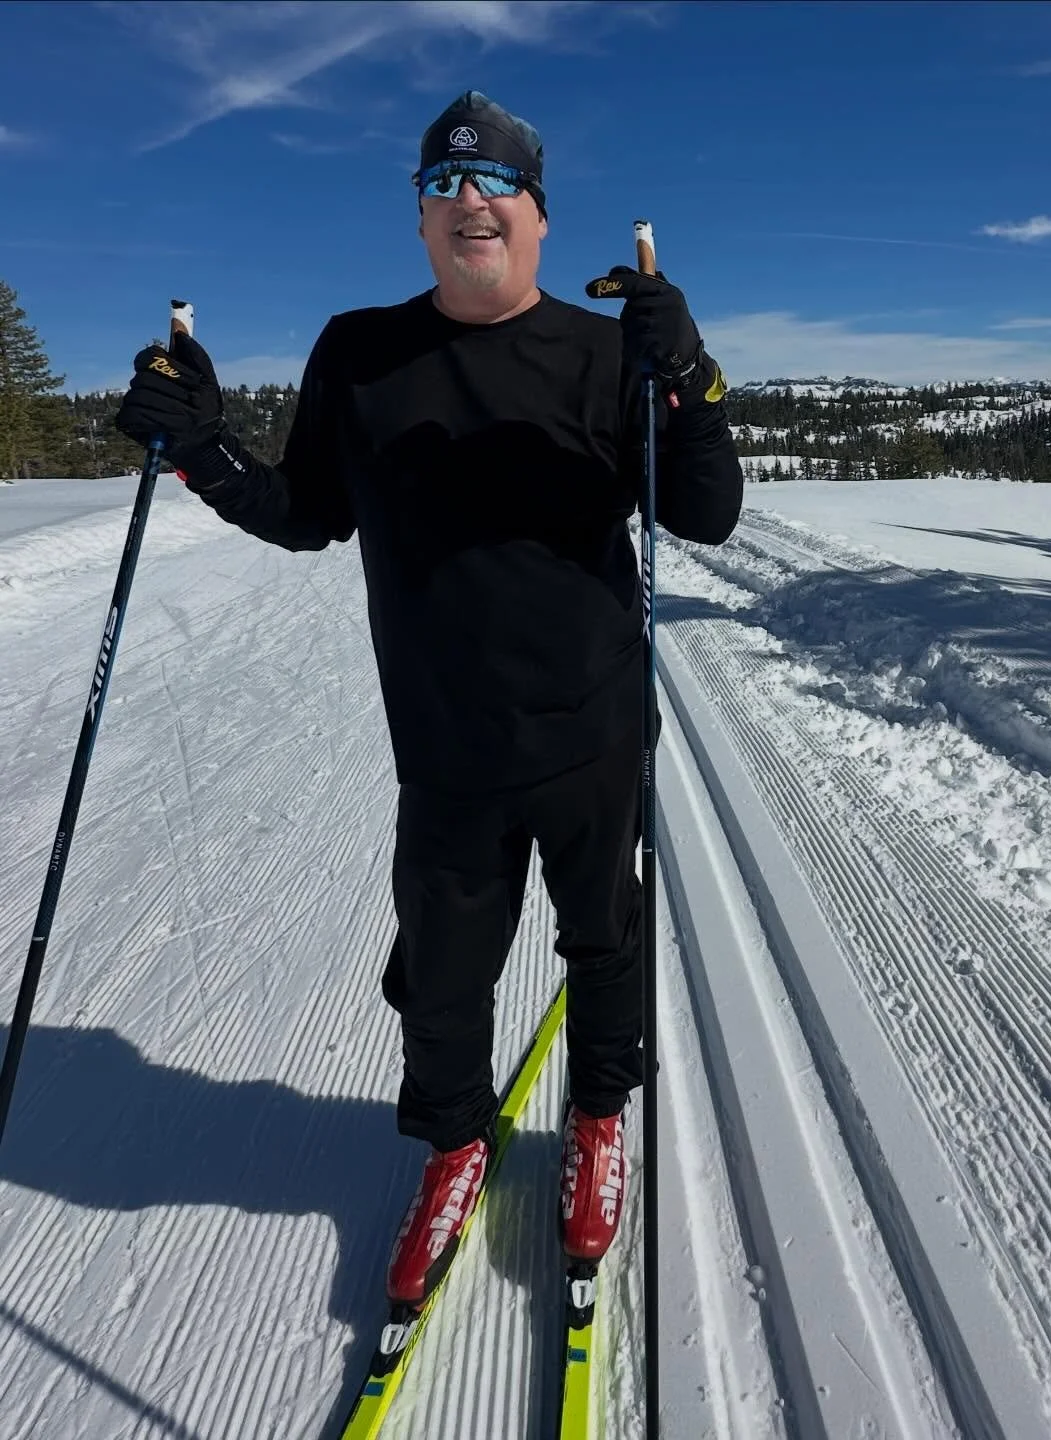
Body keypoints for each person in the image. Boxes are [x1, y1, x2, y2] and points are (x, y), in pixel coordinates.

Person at [114, 91, 743, 1309]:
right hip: (447, 741)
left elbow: (706, 514)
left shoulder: (606, 351)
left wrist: (691, 381)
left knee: (605, 938)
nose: (470, 201)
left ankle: (598, 1120)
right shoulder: (359, 352)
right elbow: (306, 512)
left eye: (496, 182)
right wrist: (199, 449)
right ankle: (456, 1143)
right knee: (444, 979)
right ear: (418, 221)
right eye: (443, 184)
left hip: (594, 729)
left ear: (539, 217)